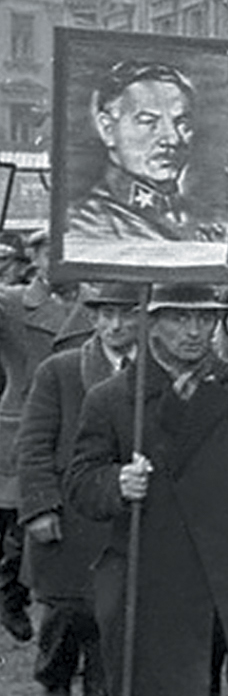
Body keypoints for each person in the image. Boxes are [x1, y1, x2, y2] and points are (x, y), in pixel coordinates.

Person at [64, 282, 228, 696]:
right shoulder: (113, 398)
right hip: (158, 573)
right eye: (180, 318)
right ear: (151, 322)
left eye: (205, 319)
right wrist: (116, 481)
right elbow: (81, 481)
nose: (195, 331)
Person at [19, 282, 143, 696]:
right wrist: (39, 507)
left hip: (124, 523)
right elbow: (34, 443)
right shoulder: (61, 370)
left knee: (111, 647)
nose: (116, 325)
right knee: (61, 635)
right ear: (93, 319)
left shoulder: (156, 373)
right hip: (68, 525)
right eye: (106, 315)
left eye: (126, 314)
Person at [0, 234, 92, 644]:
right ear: (34, 259)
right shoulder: (14, 302)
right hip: (21, 425)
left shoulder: (95, 303)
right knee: (21, 519)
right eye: (47, 251)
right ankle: (11, 595)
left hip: (77, 427)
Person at [68, 60, 216, 243]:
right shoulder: (85, 226)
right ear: (107, 129)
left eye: (182, 123)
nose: (172, 138)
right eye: (148, 121)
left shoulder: (208, 220)